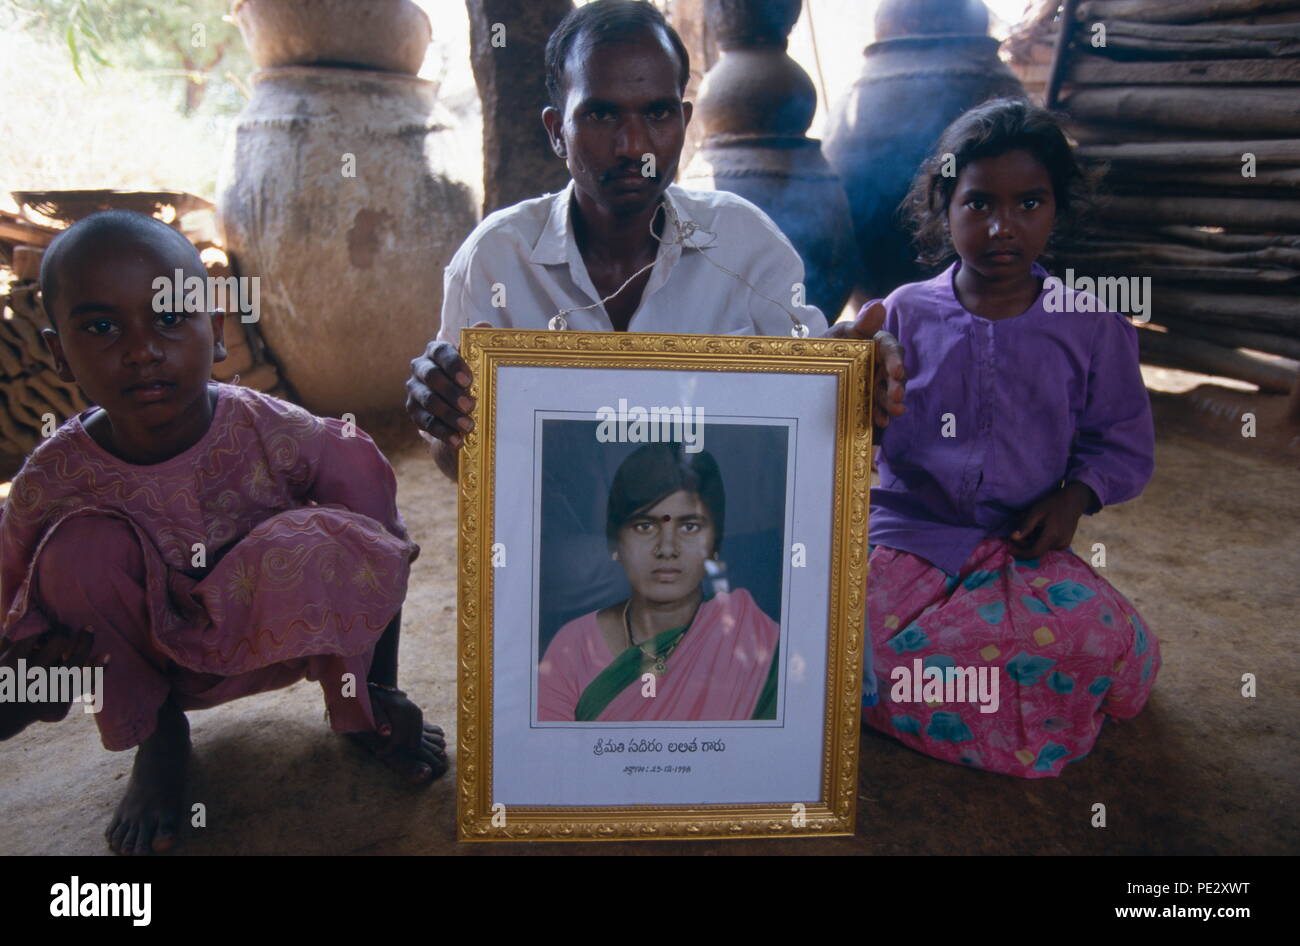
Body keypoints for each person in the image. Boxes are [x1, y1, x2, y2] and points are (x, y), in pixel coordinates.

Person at [0, 211, 446, 855]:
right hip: (148, 664)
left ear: (215, 331)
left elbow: (375, 549)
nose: (142, 348)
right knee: (76, 553)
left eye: (171, 317)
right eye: (101, 327)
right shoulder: (50, 480)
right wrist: (31, 690)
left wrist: (378, 684)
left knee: (346, 485)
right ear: (57, 353)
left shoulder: (271, 429)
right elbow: (19, 615)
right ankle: (159, 740)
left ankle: (360, 707)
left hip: (277, 640)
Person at [405, 0, 906, 482]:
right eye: (602, 116)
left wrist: (855, 383)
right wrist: (444, 421)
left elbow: (811, 412)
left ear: (686, 122)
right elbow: (461, 466)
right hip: (555, 553)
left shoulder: (747, 248)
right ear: (558, 132)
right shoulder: (496, 261)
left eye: (658, 114)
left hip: (708, 553)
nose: (635, 146)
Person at [861, 99, 1161, 777]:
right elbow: (846, 423)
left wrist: (1075, 497)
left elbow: (1120, 441)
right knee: (852, 646)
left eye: (1029, 203)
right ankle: (1000, 703)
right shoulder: (900, 314)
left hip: (1021, 552)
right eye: (978, 204)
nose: (1002, 227)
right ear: (944, 206)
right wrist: (863, 384)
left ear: (1057, 210)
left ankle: (928, 698)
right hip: (905, 542)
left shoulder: (1090, 325)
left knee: (1096, 638)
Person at [538, 443, 778, 722]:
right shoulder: (573, 648)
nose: (666, 548)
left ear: (715, 543)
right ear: (616, 544)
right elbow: (552, 759)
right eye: (645, 526)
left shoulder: (755, 642)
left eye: (689, 527)